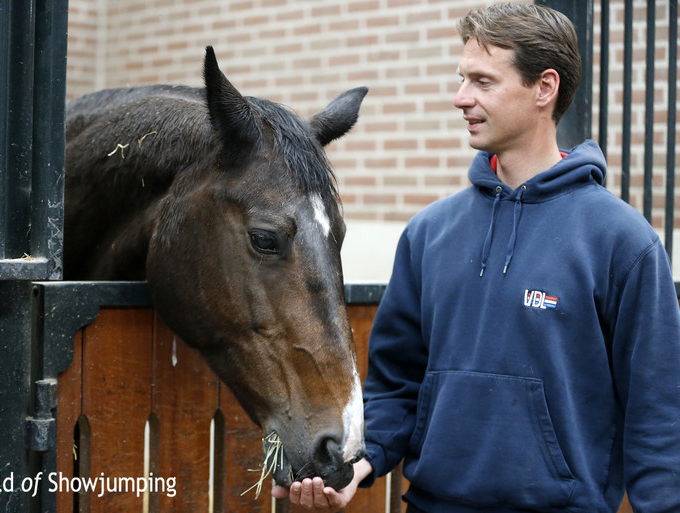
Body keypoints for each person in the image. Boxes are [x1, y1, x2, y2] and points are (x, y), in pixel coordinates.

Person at [272, 2, 680, 512]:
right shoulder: (429, 234)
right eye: (462, 78)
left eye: (483, 82)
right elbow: (397, 384)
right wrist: (359, 466)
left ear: (544, 88)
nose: (460, 97)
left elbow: (658, 414)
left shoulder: (623, 241)